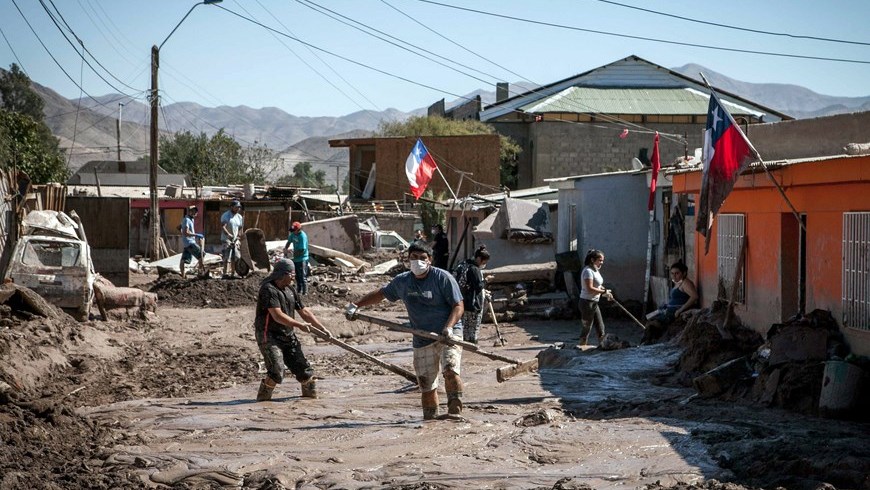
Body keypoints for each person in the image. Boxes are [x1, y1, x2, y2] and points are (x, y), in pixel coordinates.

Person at [346, 241, 465, 420]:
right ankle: (431, 420)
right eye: (414, 258)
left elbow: (458, 306)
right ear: (408, 260)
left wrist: (448, 328)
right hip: (421, 338)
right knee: (426, 384)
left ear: (430, 260)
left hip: (448, 334)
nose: (418, 262)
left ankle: (455, 411)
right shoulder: (403, 281)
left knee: (450, 370)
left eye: (422, 258)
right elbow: (381, 294)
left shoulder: (442, 278)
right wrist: (356, 305)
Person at [254, 259, 332, 402]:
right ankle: (263, 401)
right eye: (292, 274)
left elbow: (304, 312)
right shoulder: (268, 289)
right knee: (277, 371)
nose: (294, 277)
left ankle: (311, 401)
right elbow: (277, 315)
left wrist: (321, 328)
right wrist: (300, 325)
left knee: (305, 372)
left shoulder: (290, 290)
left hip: (287, 335)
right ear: (283, 274)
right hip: (269, 335)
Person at [642, 261, 699, 344]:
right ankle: (647, 342)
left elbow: (695, 296)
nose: (674, 276)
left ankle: (647, 344)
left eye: (677, 273)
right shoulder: (678, 283)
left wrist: (680, 310)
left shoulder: (686, 283)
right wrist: (666, 305)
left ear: (684, 273)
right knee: (648, 317)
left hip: (674, 312)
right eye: (672, 273)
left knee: (652, 324)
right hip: (667, 309)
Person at [453, 245, 490, 344]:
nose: (484, 264)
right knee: (473, 329)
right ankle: (472, 345)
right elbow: (478, 287)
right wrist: (486, 280)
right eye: (484, 262)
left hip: (463, 301)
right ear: (479, 259)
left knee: (464, 327)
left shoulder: (464, 264)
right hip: (473, 303)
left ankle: (464, 345)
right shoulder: (474, 269)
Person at [578, 249, 612, 347]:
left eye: (602, 260)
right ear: (592, 260)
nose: (602, 262)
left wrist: (606, 291)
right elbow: (590, 288)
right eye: (600, 260)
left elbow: (598, 285)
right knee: (587, 327)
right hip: (586, 303)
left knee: (600, 327)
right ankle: (581, 346)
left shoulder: (595, 270)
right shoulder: (588, 271)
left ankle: (603, 346)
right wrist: (604, 292)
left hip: (594, 302)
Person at [283, 221, 309, 294]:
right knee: (297, 276)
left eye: (294, 231)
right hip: (296, 259)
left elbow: (302, 249)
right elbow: (289, 242)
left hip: (302, 258)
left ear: (298, 230)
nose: (293, 232)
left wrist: (293, 254)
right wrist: (286, 249)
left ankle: (305, 292)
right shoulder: (293, 234)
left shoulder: (302, 236)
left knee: (302, 276)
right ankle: (298, 291)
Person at [220, 200, 244, 278]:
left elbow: (240, 228)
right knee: (227, 256)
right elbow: (223, 226)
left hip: (235, 239)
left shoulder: (239, 217)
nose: (238, 209)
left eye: (239, 207)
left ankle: (233, 273)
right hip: (226, 238)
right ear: (231, 207)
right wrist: (228, 234)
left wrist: (239, 236)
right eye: (236, 207)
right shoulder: (226, 215)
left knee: (236, 256)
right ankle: (225, 273)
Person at [179, 205, 204, 279]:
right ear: (189, 212)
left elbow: (179, 227)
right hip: (190, 242)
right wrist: (196, 235)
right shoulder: (187, 219)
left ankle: (183, 276)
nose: (195, 213)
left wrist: (182, 230)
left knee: (184, 260)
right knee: (201, 255)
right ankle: (200, 273)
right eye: (193, 211)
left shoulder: (189, 220)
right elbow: (186, 232)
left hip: (187, 243)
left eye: (195, 211)